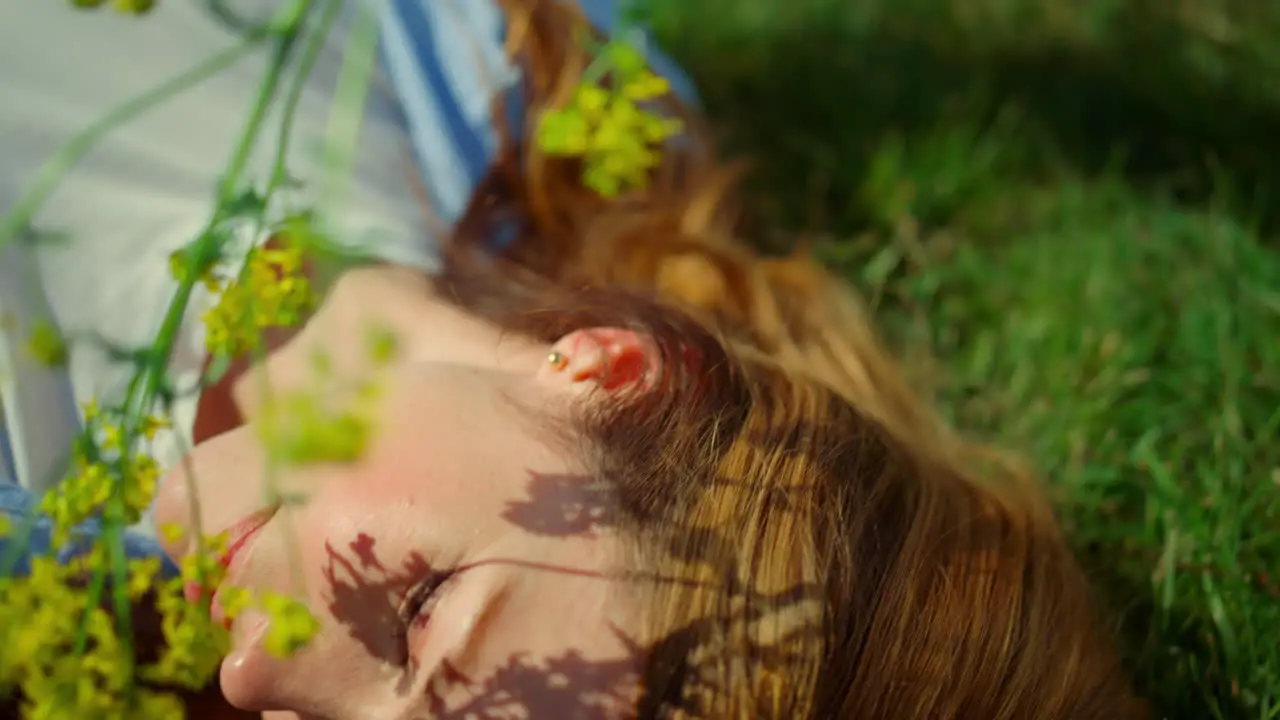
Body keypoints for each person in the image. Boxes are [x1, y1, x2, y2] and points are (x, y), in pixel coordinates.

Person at [0, 1, 1150, 718]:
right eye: (425, 615)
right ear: (608, 371)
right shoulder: (521, 81)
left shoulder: (42, 614)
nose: (250, 683)